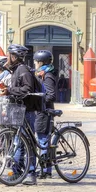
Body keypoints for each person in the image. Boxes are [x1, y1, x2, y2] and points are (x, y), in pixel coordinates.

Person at [0, 44, 42, 185]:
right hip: (18, 109)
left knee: (27, 142)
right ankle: (18, 172)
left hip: (27, 110)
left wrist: (10, 91)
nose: (6, 57)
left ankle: (30, 174)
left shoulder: (23, 70)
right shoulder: (16, 69)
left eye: (8, 55)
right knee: (19, 142)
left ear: (14, 57)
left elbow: (27, 89)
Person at [33, 50, 57, 179]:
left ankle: (46, 170)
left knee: (43, 140)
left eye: (36, 62)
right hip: (40, 110)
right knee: (42, 140)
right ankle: (45, 169)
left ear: (41, 62)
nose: (35, 64)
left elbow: (51, 95)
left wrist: (37, 98)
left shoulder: (48, 76)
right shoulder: (41, 74)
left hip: (45, 111)